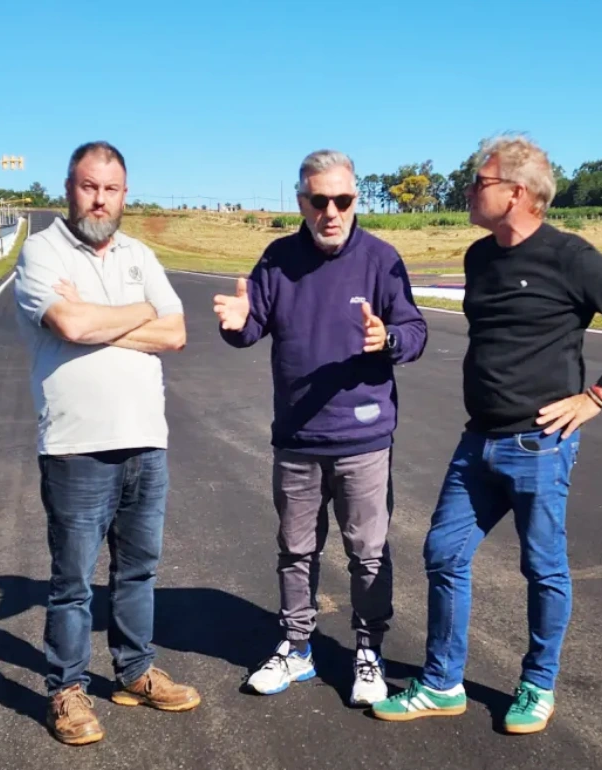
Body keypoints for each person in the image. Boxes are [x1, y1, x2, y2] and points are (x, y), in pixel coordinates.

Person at [372, 134, 602, 733]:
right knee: (443, 553)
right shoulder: (478, 258)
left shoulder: (571, 257)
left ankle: (537, 684)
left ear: (516, 193)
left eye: (479, 182)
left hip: (540, 443)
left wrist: (596, 397)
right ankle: (442, 683)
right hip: (477, 439)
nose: (468, 191)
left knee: (542, 568)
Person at [213, 149, 428, 706]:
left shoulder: (381, 259)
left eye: (343, 200)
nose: (330, 211)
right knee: (295, 549)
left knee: (369, 552)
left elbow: (415, 328)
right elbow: (251, 324)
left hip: (362, 439)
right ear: (301, 200)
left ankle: (368, 651)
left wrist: (392, 340)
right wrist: (236, 326)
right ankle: (297, 647)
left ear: (357, 199)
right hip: (297, 440)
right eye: (318, 200)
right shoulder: (277, 259)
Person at [14, 141, 200, 746]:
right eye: (89, 186)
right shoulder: (41, 251)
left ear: (125, 193)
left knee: (137, 571)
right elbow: (69, 325)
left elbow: (174, 334)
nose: (100, 198)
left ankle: (136, 671)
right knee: (72, 581)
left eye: (111, 188)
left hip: (146, 442)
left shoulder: (141, 255)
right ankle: (66, 692)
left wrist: (109, 316)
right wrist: (133, 314)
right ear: (69, 188)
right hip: (77, 447)